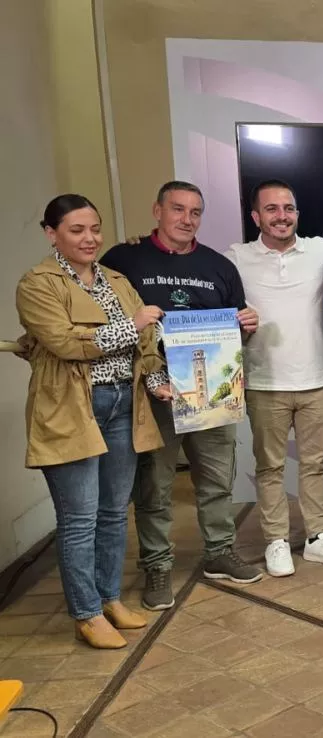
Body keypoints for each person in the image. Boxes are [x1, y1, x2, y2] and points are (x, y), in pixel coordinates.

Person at [15, 195, 171, 648]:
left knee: (111, 512)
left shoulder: (116, 281)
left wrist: (157, 379)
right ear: (52, 234)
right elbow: (65, 343)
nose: (90, 238)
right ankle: (85, 613)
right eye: (77, 230)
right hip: (70, 410)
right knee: (78, 517)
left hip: (123, 404)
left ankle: (109, 598)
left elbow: (145, 345)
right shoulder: (37, 284)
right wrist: (133, 323)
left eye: (95, 229)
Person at [101, 181, 263, 610]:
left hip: (210, 390)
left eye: (195, 212)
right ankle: (156, 564)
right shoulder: (123, 259)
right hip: (152, 393)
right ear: (157, 210)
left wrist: (246, 326)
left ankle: (219, 553)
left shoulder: (218, 266)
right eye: (177, 209)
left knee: (215, 480)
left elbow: (235, 331)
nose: (186, 219)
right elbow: (106, 315)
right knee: (154, 484)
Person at [228, 179, 323, 577]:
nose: (282, 216)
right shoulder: (235, 258)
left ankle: (317, 537)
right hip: (264, 381)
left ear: (297, 213)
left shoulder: (322, 250)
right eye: (271, 209)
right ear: (255, 216)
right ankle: (277, 541)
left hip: (316, 377)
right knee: (270, 467)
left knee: (315, 464)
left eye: (289, 208)